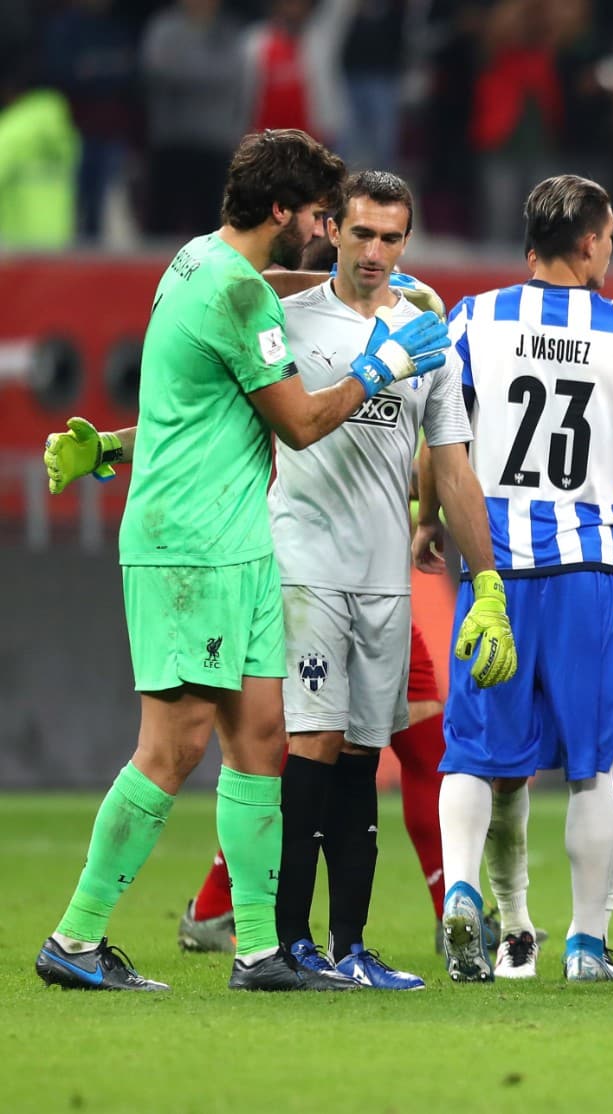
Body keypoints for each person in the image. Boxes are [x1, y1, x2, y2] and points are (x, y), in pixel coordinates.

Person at [36, 128, 451, 992]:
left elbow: (207, 394)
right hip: (193, 547)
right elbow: (298, 422)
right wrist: (378, 364)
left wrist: (113, 446)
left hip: (238, 545)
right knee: (173, 747)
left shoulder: (196, 262)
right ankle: (75, 938)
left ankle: (261, 951)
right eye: (319, 217)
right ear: (282, 211)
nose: (327, 231)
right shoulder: (235, 297)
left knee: (262, 739)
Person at [265, 170, 510, 990]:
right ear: (333, 227)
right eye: (362, 234)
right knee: (314, 744)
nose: (374, 252)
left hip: (384, 576)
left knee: (364, 754)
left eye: (391, 238)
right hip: (305, 564)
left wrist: (489, 583)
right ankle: (290, 943)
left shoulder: (427, 337)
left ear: (408, 242)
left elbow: (453, 468)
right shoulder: (290, 319)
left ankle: (351, 947)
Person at [435, 174, 613, 985]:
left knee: (476, 752)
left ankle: (464, 892)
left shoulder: (474, 318)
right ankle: (586, 945)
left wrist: (432, 520)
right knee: (596, 764)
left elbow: (444, 443)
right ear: (592, 240)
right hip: (590, 569)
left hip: (494, 566)